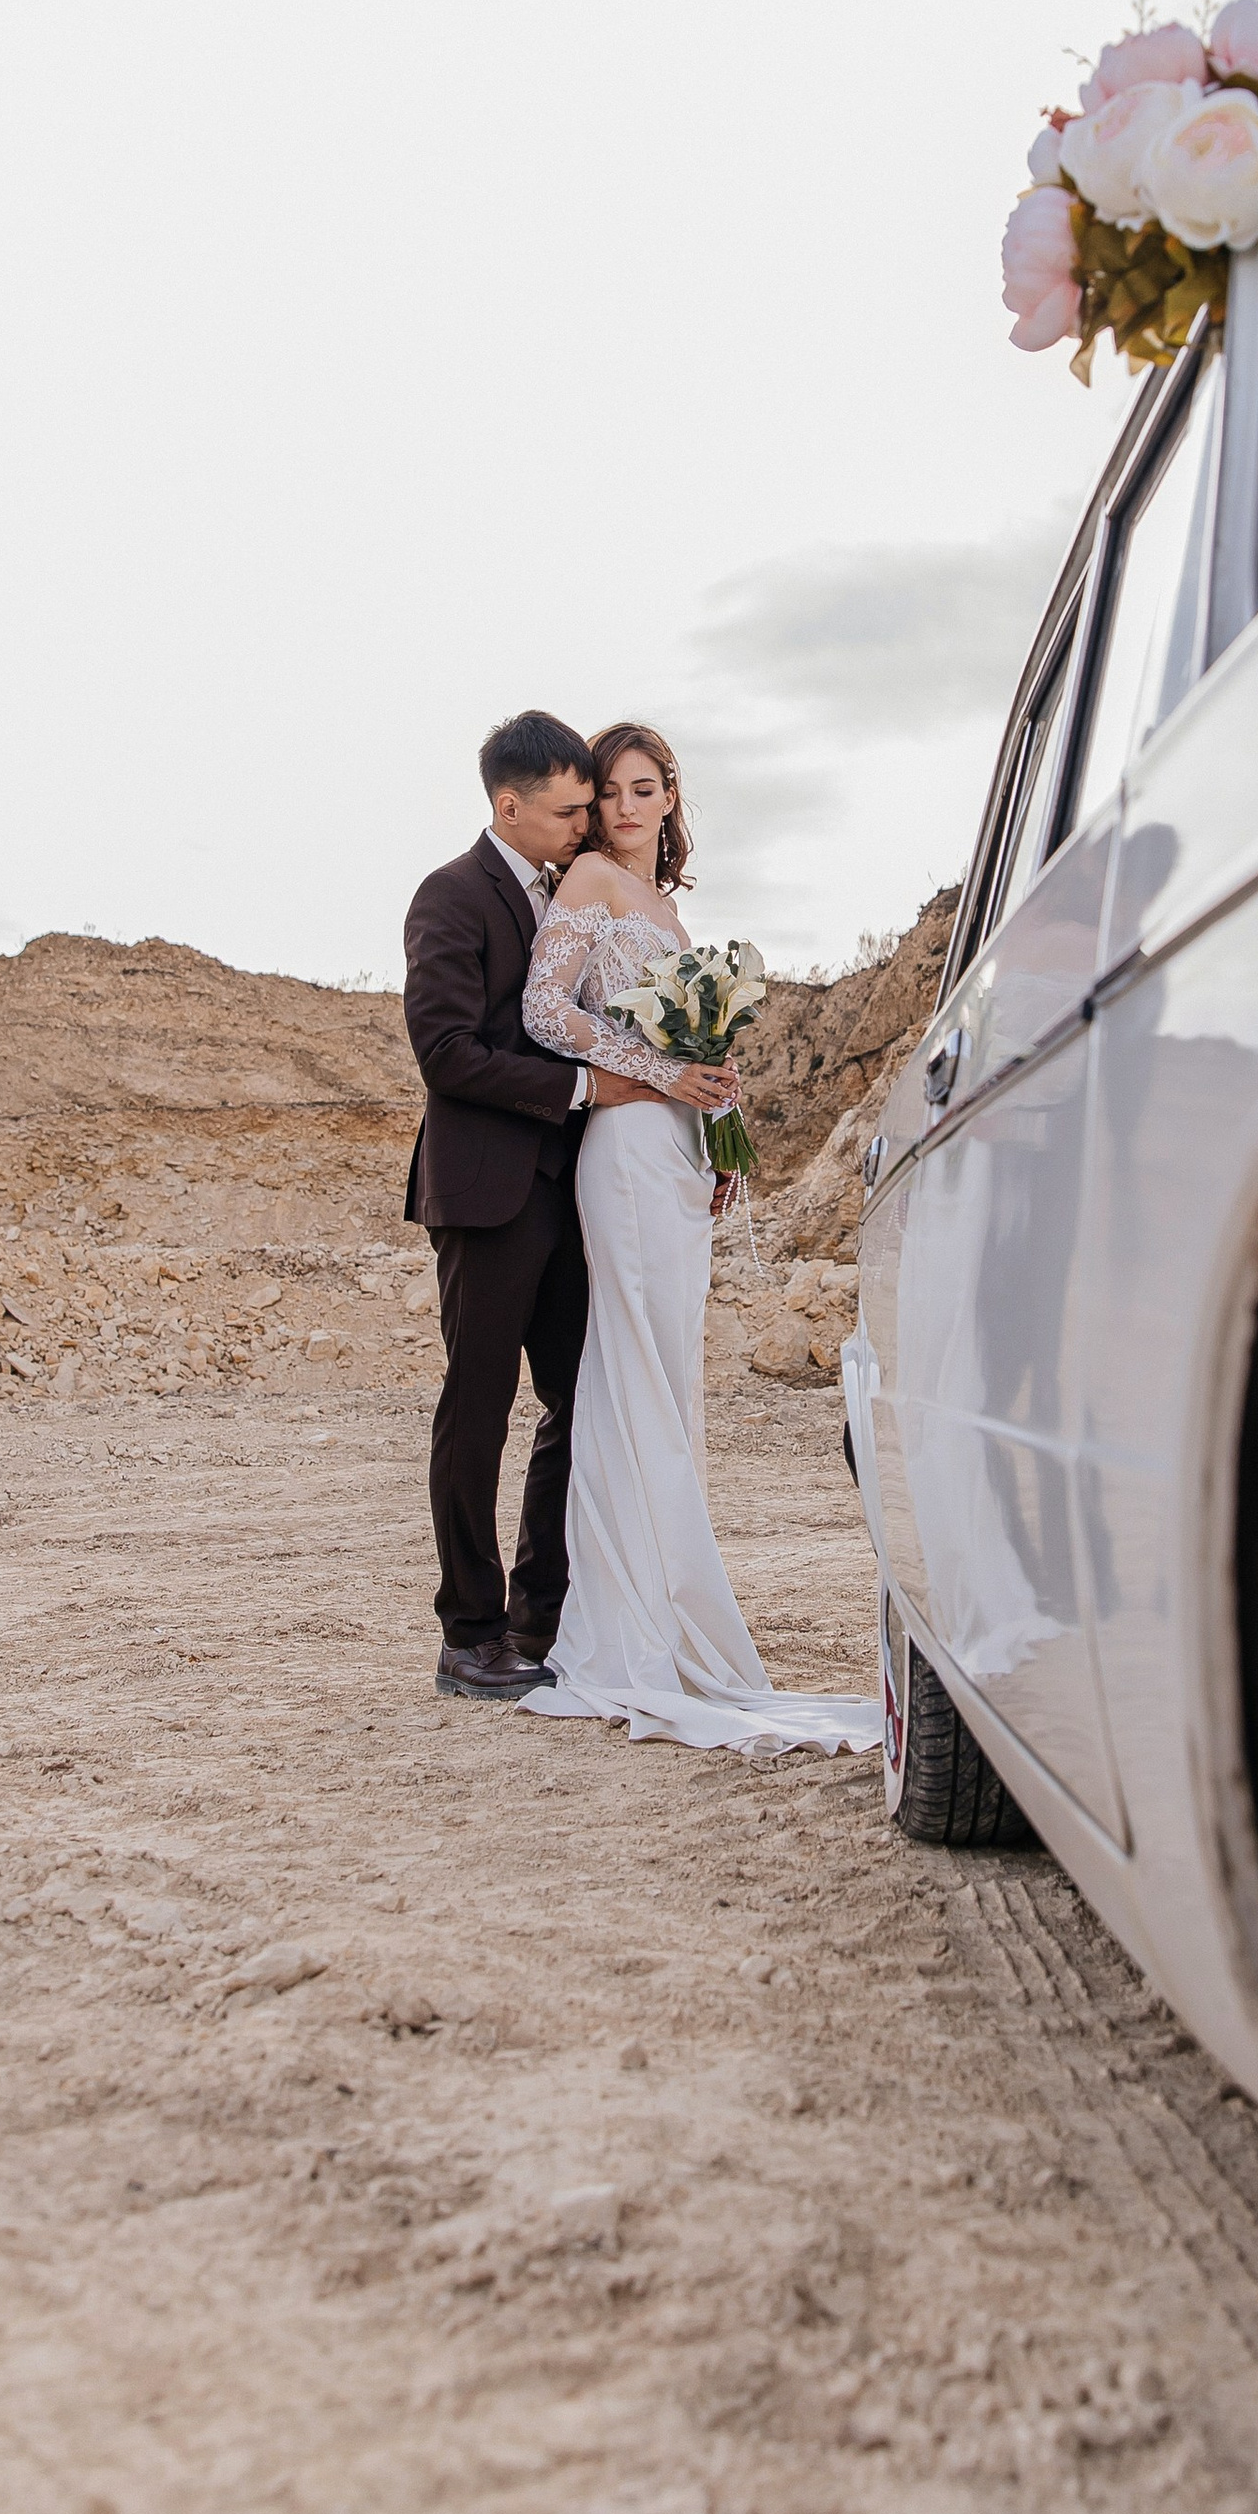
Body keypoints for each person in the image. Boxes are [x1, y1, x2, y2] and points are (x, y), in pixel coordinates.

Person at [516, 720, 881, 1758]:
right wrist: (662, 1076)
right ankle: (627, 1629)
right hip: (624, 1148)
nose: (624, 809)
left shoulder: (667, 911)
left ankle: (666, 1607)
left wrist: (716, 1126)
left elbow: (691, 1040)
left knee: (668, 1377)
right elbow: (545, 1012)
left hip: (677, 1155)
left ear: (671, 798)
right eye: (610, 793)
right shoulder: (585, 881)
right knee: (629, 1369)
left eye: (643, 791)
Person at [403, 710, 661, 1699]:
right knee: (479, 1411)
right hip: (483, 1190)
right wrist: (588, 1090)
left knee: (575, 1400)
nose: (580, 825)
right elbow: (446, 1053)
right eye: (563, 811)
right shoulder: (451, 897)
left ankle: (537, 1614)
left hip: (566, 1190)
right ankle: (466, 1635)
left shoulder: (566, 894)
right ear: (506, 806)